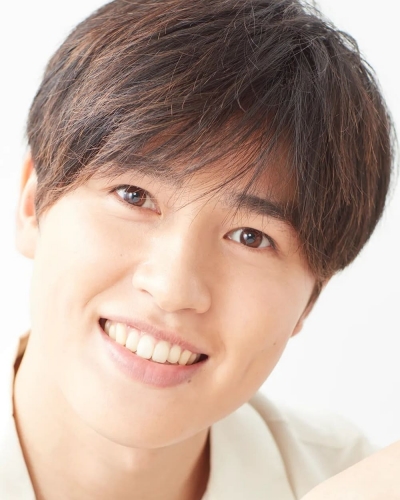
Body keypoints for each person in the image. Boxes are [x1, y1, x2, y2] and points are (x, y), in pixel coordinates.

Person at [0, 0, 394, 499]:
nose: (172, 289)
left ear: (310, 300)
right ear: (32, 204)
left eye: (251, 237)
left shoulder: (351, 481)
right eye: (133, 196)